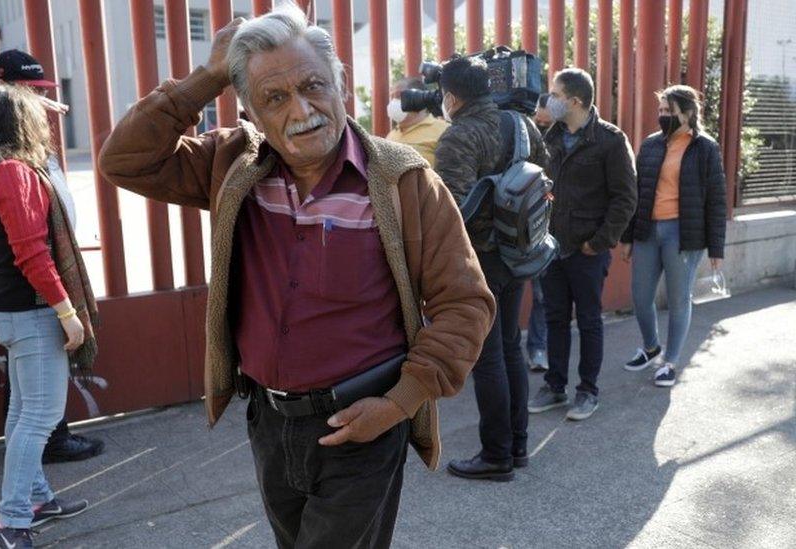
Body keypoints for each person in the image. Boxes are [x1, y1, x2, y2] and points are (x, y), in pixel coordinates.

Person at [99, 6, 495, 547]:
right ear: (252, 115)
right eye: (274, 98)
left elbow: (465, 304)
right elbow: (125, 160)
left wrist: (400, 404)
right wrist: (207, 77)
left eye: (313, 86)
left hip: (365, 424)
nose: (302, 110)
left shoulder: (403, 181)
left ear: (342, 87)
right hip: (269, 422)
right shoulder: (233, 166)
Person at [0, 49, 104, 464]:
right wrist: (8, 214)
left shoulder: (19, 126)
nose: (38, 97)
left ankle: (35, 475)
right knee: (34, 395)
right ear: (4, 88)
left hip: (35, 264)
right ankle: (34, 469)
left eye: (40, 89)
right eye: (29, 89)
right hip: (18, 268)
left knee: (30, 388)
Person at [0, 83, 95, 549]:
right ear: (22, 122)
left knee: (22, 413)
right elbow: (32, 254)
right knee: (40, 416)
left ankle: (36, 499)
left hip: (11, 308)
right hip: (31, 309)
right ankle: (10, 523)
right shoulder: (13, 173)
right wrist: (68, 311)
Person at [433, 56, 548, 481]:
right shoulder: (520, 124)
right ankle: (517, 445)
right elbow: (543, 172)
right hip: (519, 253)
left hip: (480, 259)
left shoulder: (458, 137)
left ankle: (496, 454)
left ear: (451, 96)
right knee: (509, 347)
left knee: (488, 358)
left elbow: (450, 213)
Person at [527, 68, 637, 421]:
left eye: (555, 94)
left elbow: (625, 198)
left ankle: (587, 390)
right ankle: (555, 385)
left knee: (589, 320)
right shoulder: (550, 136)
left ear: (575, 101)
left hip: (587, 249)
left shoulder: (610, 140)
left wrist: (599, 242)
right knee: (555, 317)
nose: (549, 100)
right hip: (552, 247)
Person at [620, 85, 727, 387]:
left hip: (684, 233)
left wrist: (717, 249)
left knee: (679, 299)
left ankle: (670, 361)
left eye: (670, 111)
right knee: (641, 297)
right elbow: (637, 195)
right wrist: (628, 237)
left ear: (688, 113)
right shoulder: (652, 145)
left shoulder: (705, 148)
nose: (663, 116)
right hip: (648, 231)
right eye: (662, 111)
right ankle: (651, 346)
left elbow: (717, 200)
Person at [525, 92, 553, 372]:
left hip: (557, 227)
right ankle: (537, 348)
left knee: (545, 297)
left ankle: (540, 348)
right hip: (532, 228)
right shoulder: (526, 134)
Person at [385, 76, 450, 165]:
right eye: (391, 97)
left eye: (398, 96)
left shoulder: (445, 131)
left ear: (417, 97)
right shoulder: (391, 135)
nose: (393, 102)